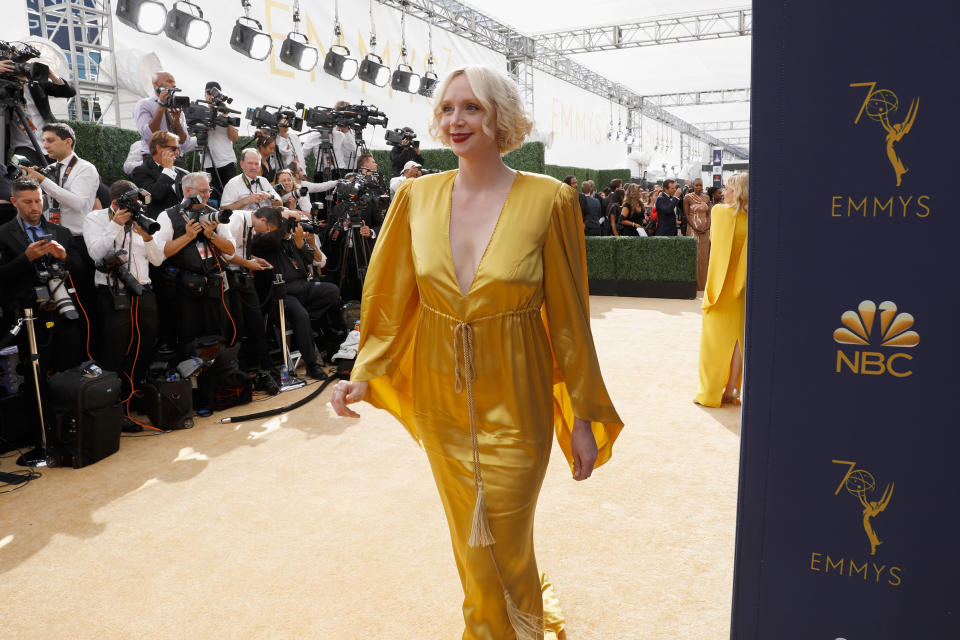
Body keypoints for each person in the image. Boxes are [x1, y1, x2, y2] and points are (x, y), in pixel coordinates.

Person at [330, 64, 623, 640]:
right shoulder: (415, 197)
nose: (456, 120)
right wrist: (365, 373)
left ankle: (511, 627)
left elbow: (569, 321)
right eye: (447, 108)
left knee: (507, 538)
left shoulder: (549, 200)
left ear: (500, 117)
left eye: (472, 108)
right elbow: (390, 297)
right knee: (470, 538)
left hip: (520, 397)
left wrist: (582, 416)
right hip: (443, 399)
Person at [82, 179, 163, 411]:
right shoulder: (95, 218)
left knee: (144, 346)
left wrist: (147, 237)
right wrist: (116, 225)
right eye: (133, 204)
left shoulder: (143, 220)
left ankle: (133, 397)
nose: (137, 209)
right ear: (117, 203)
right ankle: (114, 406)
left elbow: (157, 260)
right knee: (115, 349)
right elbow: (96, 254)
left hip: (143, 291)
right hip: (112, 292)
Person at [0, 178, 82, 375]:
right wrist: (26, 258)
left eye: (38, 201)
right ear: (14, 202)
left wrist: (64, 257)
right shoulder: (3, 235)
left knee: (69, 370)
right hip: (26, 316)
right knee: (35, 375)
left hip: (63, 312)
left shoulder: (61, 233)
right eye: (27, 202)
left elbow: (82, 270)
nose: (34, 207)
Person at [248, 207, 342, 379]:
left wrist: (300, 243)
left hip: (303, 286)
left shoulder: (292, 240)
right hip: (282, 293)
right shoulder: (264, 240)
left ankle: (311, 325)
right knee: (301, 315)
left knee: (332, 290)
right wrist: (285, 219)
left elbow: (308, 260)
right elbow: (272, 239)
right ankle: (311, 365)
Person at [152, 172, 235, 358]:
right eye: (203, 191)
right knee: (189, 339)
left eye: (209, 190)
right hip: (185, 289)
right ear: (188, 191)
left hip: (214, 284)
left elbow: (230, 250)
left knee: (219, 335)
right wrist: (188, 236)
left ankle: (221, 379)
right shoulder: (167, 215)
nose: (207, 195)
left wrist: (212, 235)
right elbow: (159, 254)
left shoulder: (215, 213)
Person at [695, 172, 749, 407]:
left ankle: (709, 392)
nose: (722, 192)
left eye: (727, 188)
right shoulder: (756, 219)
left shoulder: (719, 212)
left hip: (719, 289)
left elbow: (715, 242)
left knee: (712, 341)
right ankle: (732, 388)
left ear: (737, 191)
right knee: (738, 340)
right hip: (742, 288)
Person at [0, 59, 75, 166]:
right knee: (23, 175)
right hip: (25, 146)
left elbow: (69, 91)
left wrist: (50, 74)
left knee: (64, 176)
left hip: (51, 141)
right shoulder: (4, 88)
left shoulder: (36, 84)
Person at [133, 71, 192, 156]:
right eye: (169, 81)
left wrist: (177, 122)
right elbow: (148, 135)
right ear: (155, 84)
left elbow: (184, 144)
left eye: (174, 82)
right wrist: (161, 107)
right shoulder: (144, 104)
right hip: (154, 159)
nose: (174, 85)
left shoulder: (177, 108)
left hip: (175, 159)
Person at [131, 131, 188, 217]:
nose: (177, 153)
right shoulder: (140, 171)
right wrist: (168, 169)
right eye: (173, 148)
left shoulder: (181, 171)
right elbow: (155, 195)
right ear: (159, 148)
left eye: (178, 149)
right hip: (158, 223)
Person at [200, 81, 239, 197]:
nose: (211, 96)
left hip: (227, 162)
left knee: (231, 196)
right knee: (212, 197)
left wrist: (226, 117)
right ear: (205, 95)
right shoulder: (201, 112)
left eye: (215, 93)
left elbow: (234, 138)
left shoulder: (228, 112)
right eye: (208, 92)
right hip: (208, 163)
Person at [684, 178, 712, 290]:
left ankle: (704, 284)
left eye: (701, 185)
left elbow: (709, 214)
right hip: (692, 229)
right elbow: (686, 215)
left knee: (704, 256)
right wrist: (694, 226)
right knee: (694, 255)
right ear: (693, 186)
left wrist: (708, 226)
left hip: (705, 230)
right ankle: (693, 284)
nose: (699, 187)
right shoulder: (687, 197)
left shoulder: (707, 197)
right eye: (696, 185)